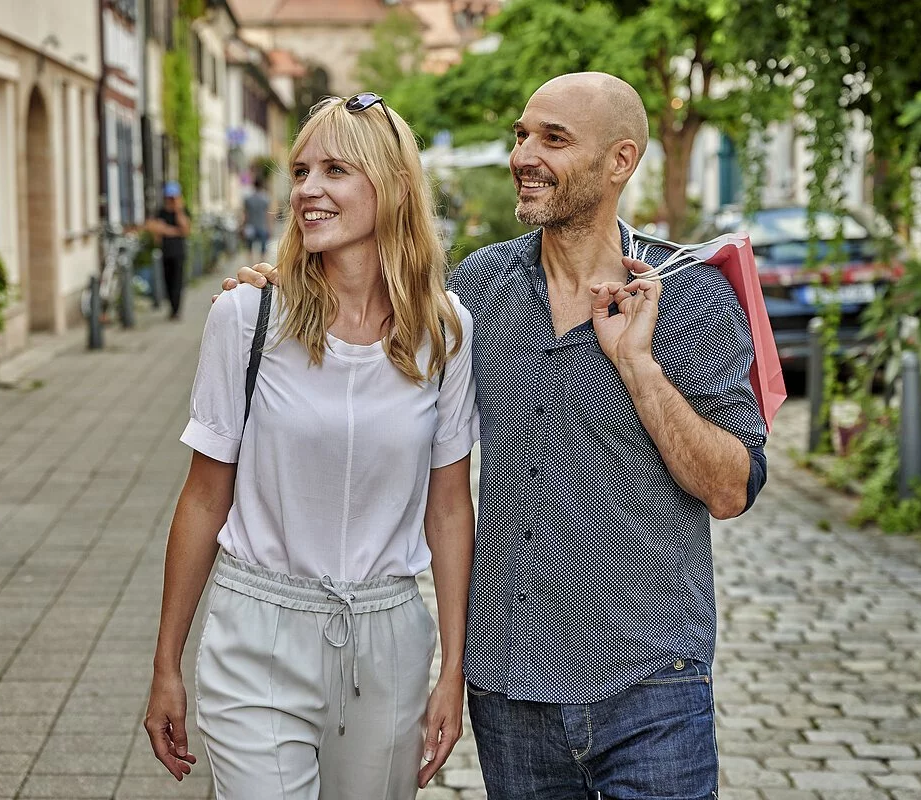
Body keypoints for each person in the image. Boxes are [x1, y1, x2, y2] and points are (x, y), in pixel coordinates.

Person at [224, 72, 768, 800]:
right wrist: (277, 289)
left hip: (649, 683)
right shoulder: (476, 294)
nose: (522, 154)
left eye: (553, 138)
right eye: (520, 134)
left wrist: (638, 366)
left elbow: (731, 488)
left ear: (620, 161)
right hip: (513, 690)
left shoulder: (693, 298)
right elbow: (370, 316)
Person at [144, 93, 478, 800]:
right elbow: (205, 496)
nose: (307, 190)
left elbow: (449, 509)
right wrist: (165, 663)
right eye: (300, 171)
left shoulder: (445, 331)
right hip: (256, 632)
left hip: (388, 638)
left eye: (335, 170)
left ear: (390, 188)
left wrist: (452, 669)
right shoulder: (246, 316)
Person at [145, 181, 192, 320]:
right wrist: (173, 231)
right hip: (166, 252)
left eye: (173, 197)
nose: (171, 200)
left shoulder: (182, 211)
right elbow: (154, 228)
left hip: (178, 253)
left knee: (177, 282)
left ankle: (176, 310)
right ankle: (171, 307)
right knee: (167, 281)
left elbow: (185, 229)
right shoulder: (161, 211)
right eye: (169, 197)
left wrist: (178, 211)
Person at [243, 178, 272, 260]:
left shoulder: (248, 199)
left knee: (249, 246)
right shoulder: (265, 198)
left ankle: (250, 265)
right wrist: (270, 227)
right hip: (262, 225)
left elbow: (245, 214)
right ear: (262, 185)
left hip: (250, 225)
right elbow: (268, 214)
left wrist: (243, 226)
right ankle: (262, 264)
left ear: (253, 185)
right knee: (263, 247)